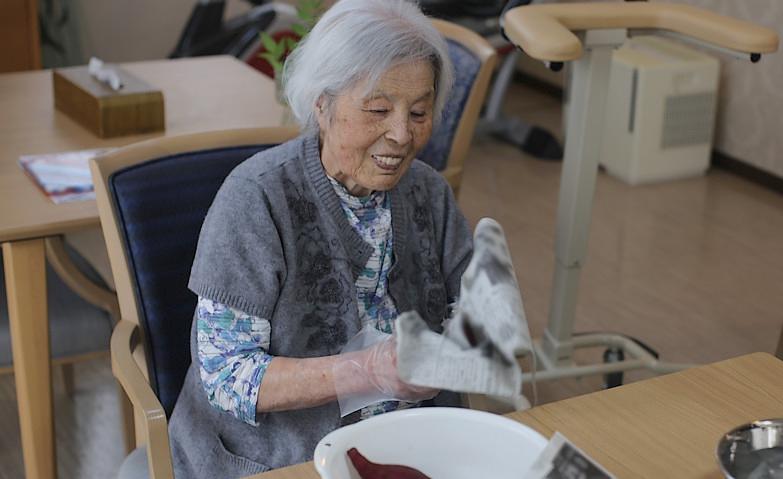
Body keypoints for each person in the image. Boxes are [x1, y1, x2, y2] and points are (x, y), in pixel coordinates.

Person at [168, 0, 473, 476]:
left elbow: (470, 311)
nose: (401, 134)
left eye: (419, 111)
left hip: (411, 444)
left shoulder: (429, 192)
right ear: (322, 104)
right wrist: (368, 371)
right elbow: (227, 376)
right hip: (278, 458)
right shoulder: (256, 199)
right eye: (377, 109)